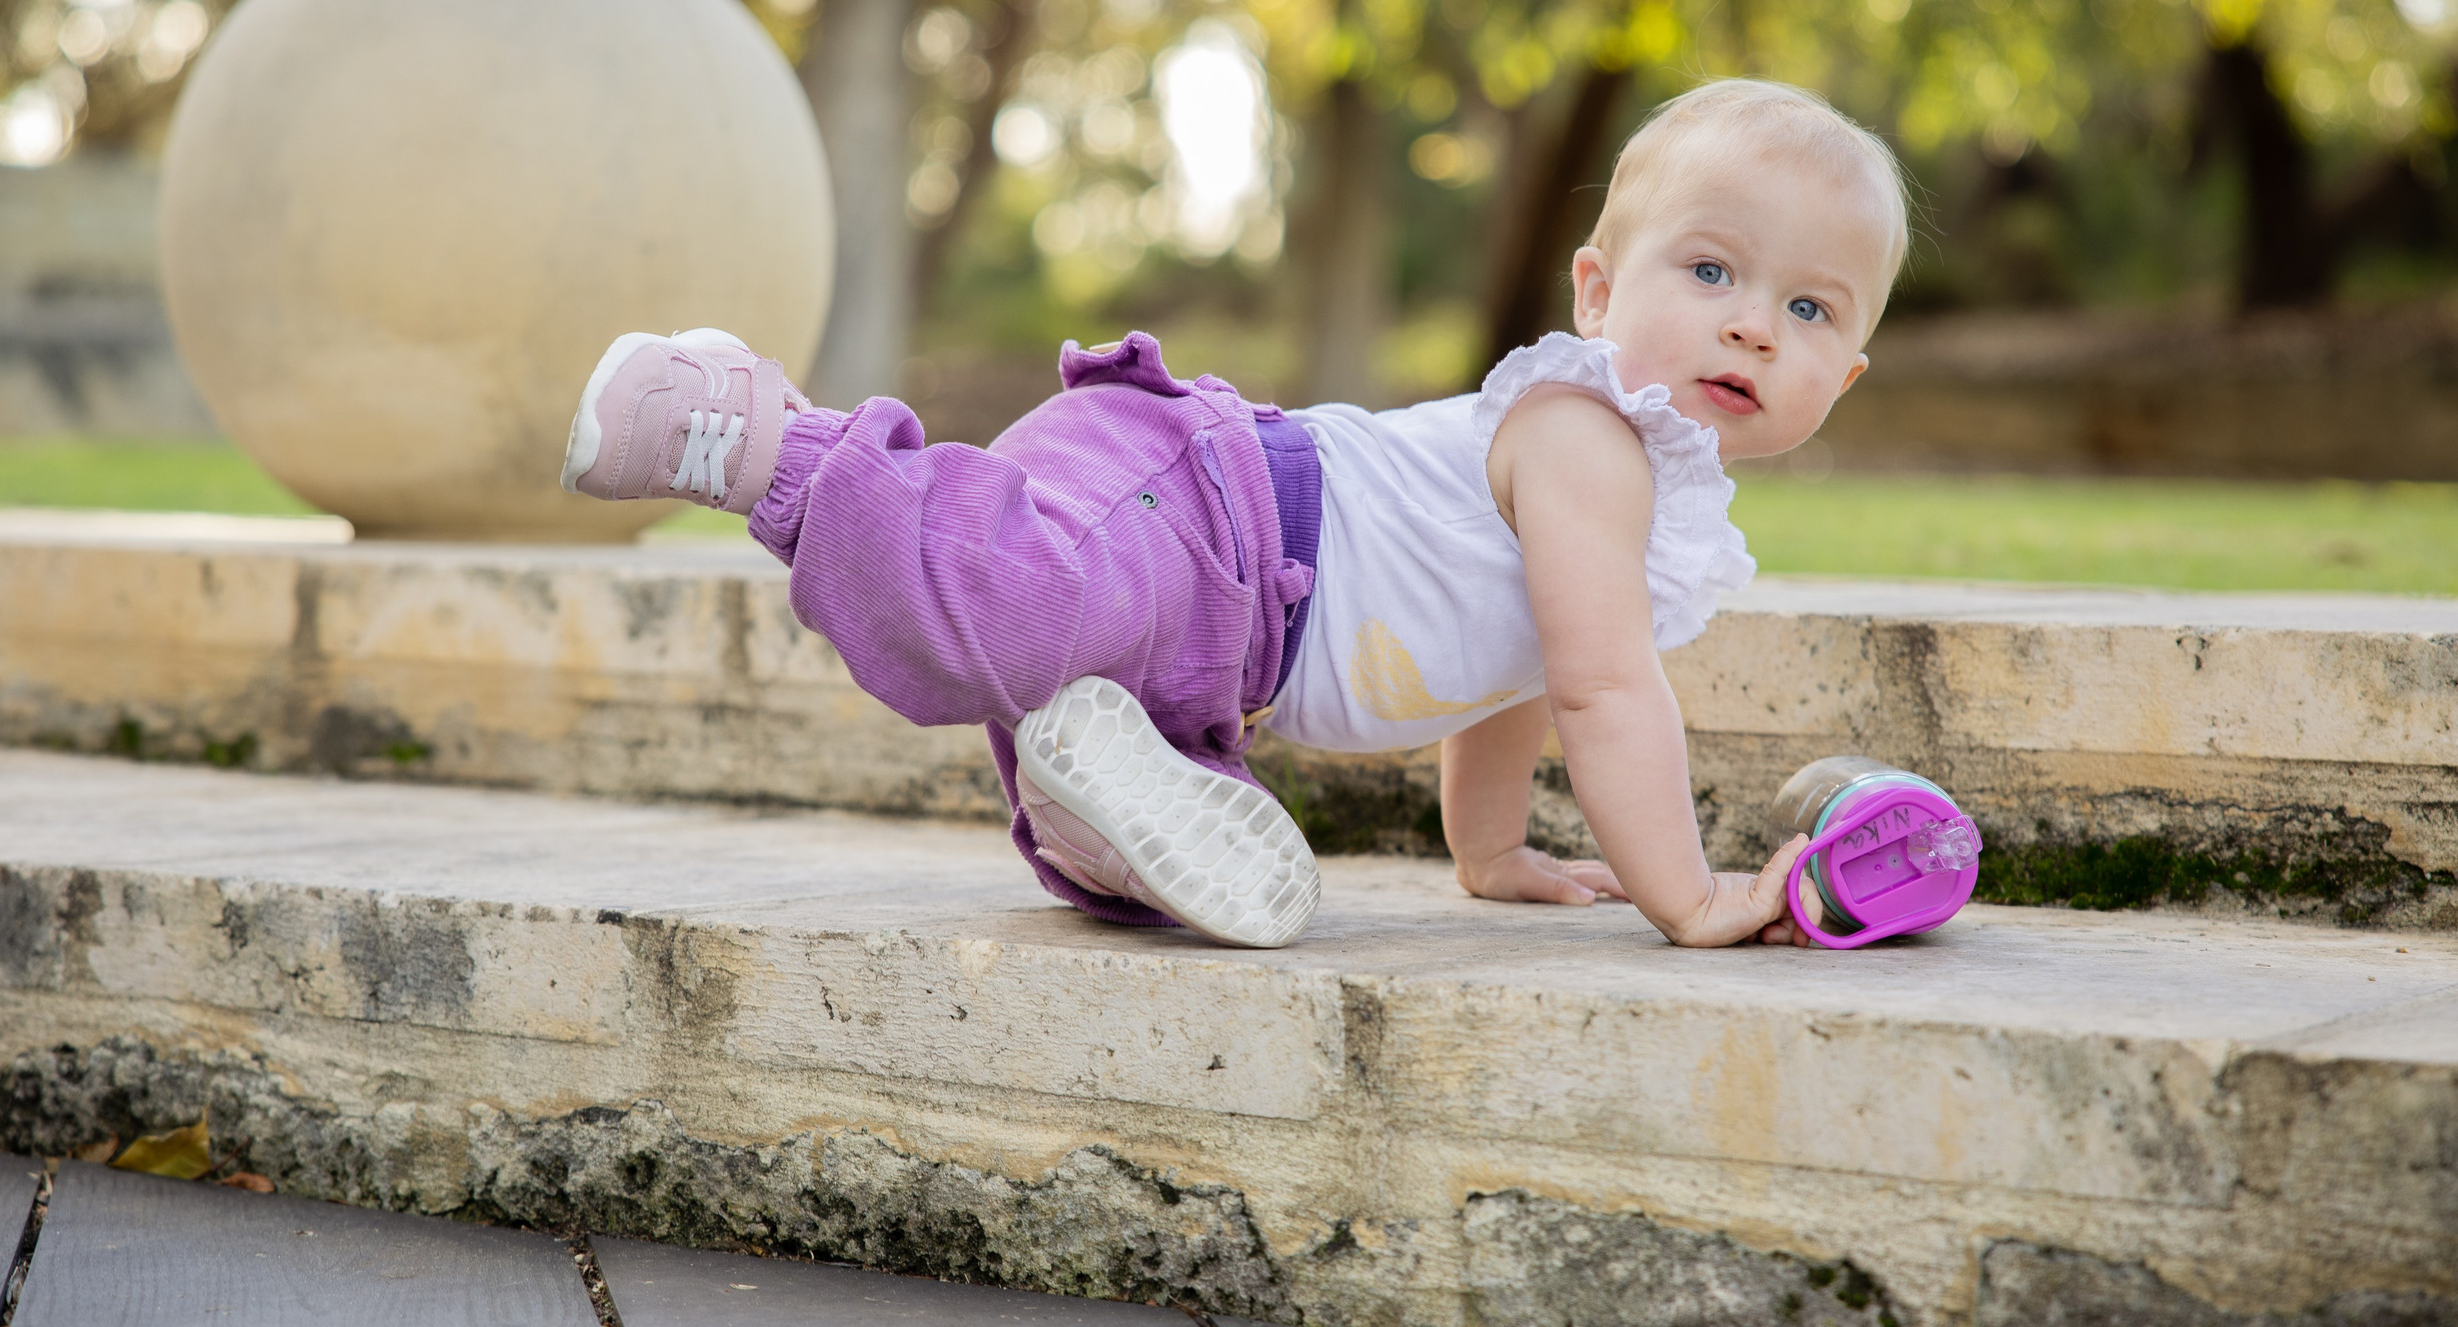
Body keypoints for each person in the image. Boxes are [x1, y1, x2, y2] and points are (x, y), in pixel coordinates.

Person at [558, 77, 1908, 951]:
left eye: (1806, 309)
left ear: (1843, 379)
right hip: (1213, 513)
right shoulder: (1587, 437)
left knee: (1121, 860)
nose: (1751, 320)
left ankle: (1097, 806)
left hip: (1225, 656)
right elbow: (1608, 690)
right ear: (1597, 293)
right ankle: (761, 439)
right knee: (999, 625)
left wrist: (1491, 850)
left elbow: (1530, 673)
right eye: (1713, 267)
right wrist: (1690, 893)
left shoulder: (1638, 503)